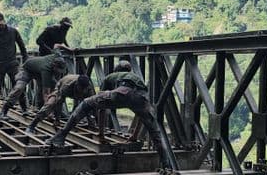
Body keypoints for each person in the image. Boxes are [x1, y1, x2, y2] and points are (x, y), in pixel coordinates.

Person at [46, 60, 176, 169]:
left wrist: (101, 134)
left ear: (116, 69)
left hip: (121, 92)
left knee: (86, 103)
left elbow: (101, 108)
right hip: (140, 98)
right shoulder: (137, 78)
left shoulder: (111, 77)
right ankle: (166, 163)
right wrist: (134, 136)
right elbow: (139, 115)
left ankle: (61, 135)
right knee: (155, 132)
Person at [0, 54, 68, 119]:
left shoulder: (58, 58)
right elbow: (46, 93)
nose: (59, 73)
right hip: (27, 70)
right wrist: (48, 111)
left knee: (56, 89)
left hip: (38, 72)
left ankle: (57, 111)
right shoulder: (46, 70)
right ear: (54, 66)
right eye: (58, 71)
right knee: (19, 88)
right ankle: (4, 110)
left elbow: (56, 46)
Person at [0, 12, 28, 116]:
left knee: (18, 85)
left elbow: (21, 45)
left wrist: (26, 58)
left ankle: (24, 109)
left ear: (4, 21)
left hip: (12, 62)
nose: (0, 25)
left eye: (1, 23)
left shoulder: (13, 31)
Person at [25, 74, 95, 134]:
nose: (83, 90)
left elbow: (90, 107)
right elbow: (59, 103)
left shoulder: (89, 89)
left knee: (88, 106)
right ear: (77, 84)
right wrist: (57, 119)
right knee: (50, 104)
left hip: (75, 93)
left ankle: (90, 125)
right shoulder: (66, 86)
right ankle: (32, 125)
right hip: (61, 85)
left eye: (84, 89)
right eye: (81, 88)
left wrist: (91, 124)